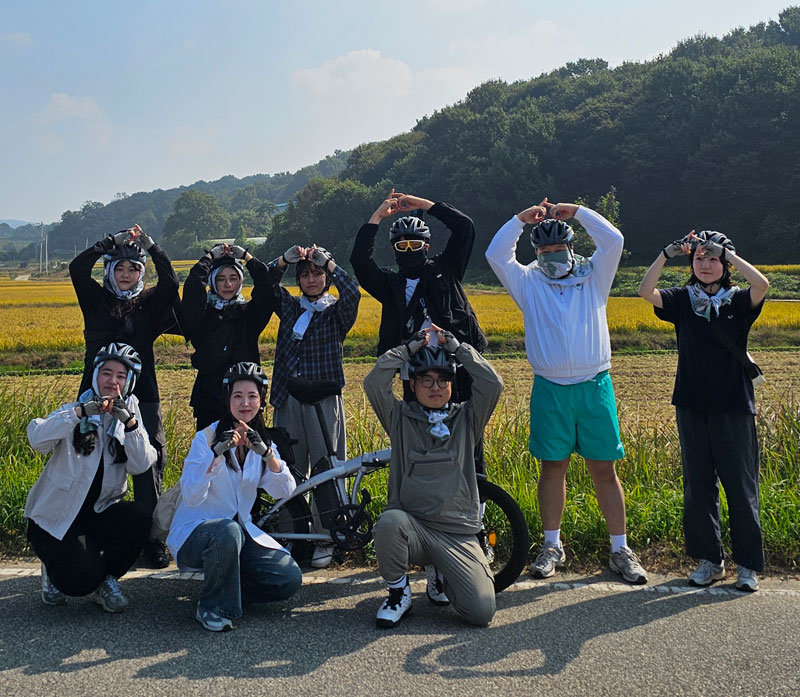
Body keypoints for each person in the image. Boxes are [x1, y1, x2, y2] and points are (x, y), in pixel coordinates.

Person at [485, 198, 648, 584]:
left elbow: (614, 240)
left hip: (595, 386)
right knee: (552, 468)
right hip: (550, 388)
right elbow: (496, 253)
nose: (551, 257)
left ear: (572, 249)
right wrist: (520, 219)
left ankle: (619, 549)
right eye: (544, 251)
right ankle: (551, 546)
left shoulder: (594, 275)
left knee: (603, 469)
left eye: (558, 250)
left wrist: (578, 212)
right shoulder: (527, 281)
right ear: (535, 253)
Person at [351, 190, 489, 600]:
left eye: (416, 245)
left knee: (468, 453)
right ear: (395, 250)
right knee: (418, 456)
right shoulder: (390, 283)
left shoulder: (447, 269)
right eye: (402, 246)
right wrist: (378, 214)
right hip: (413, 378)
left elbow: (465, 227)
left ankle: (464, 543)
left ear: (427, 247)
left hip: (456, 373)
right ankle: (427, 554)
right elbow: (360, 261)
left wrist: (422, 204)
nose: (409, 251)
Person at [638, 230, 769, 592]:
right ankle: (709, 561)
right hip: (692, 404)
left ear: (725, 264)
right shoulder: (683, 300)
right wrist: (667, 253)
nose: (706, 265)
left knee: (741, 487)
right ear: (692, 264)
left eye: (713, 259)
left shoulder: (739, 301)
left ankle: (747, 565)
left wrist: (729, 253)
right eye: (699, 259)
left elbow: (762, 284)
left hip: (734, 406)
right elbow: (645, 291)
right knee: (698, 487)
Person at [364, 326, 503, 628]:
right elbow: (374, 383)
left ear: (452, 385)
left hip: (457, 533)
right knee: (389, 522)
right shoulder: (399, 419)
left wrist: (458, 348)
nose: (435, 387)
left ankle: (441, 575)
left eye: (443, 380)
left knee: (481, 612)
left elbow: (492, 384)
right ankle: (399, 592)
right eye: (426, 380)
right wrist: (408, 348)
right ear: (412, 384)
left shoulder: (467, 419)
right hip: (413, 528)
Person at [70, 224, 178, 569]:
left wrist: (151, 246)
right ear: (110, 271)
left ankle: (152, 540)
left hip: (143, 395)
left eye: (134, 268)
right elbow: (76, 268)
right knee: (90, 462)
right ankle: (88, 535)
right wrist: (110, 243)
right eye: (120, 267)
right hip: (93, 394)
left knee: (148, 465)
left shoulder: (148, 305)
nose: (128, 273)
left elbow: (172, 283)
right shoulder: (96, 300)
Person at [166, 362, 303, 631]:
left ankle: (225, 588)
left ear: (261, 402)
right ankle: (211, 607)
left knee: (288, 578)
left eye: (252, 396)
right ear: (227, 399)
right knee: (227, 531)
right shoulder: (205, 439)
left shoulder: (261, 442)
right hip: (197, 535)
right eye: (237, 396)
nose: (245, 403)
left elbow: (286, 491)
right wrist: (216, 453)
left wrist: (267, 455)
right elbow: (192, 496)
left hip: (239, 535)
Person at [26, 343, 156, 612]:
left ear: (130, 381)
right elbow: (37, 439)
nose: (113, 381)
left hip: (99, 513)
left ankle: (106, 581)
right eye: (106, 373)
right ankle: (54, 568)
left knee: (139, 516)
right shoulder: (75, 410)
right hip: (55, 520)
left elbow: (142, 463)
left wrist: (129, 424)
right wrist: (82, 412)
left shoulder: (131, 414)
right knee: (78, 582)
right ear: (95, 375)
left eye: (121, 376)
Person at [267, 244, 361, 568]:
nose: (311, 279)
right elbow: (265, 284)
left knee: (327, 469)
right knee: (288, 469)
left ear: (326, 278)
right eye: (305, 274)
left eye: (317, 273)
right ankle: (292, 534)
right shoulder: (290, 308)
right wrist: (284, 259)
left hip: (323, 402)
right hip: (288, 397)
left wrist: (330, 262)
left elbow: (354, 292)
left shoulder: (336, 312)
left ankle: (326, 536)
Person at [181, 243, 277, 431]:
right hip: (208, 401)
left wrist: (247, 257)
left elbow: (266, 286)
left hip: (246, 402)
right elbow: (193, 290)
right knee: (209, 456)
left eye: (234, 278)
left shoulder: (249, 315)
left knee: (249, 456)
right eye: (221, 279)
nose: (228, 285)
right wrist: (208, 259)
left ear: (241, 282)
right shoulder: (202, 316)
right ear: (213, 282)